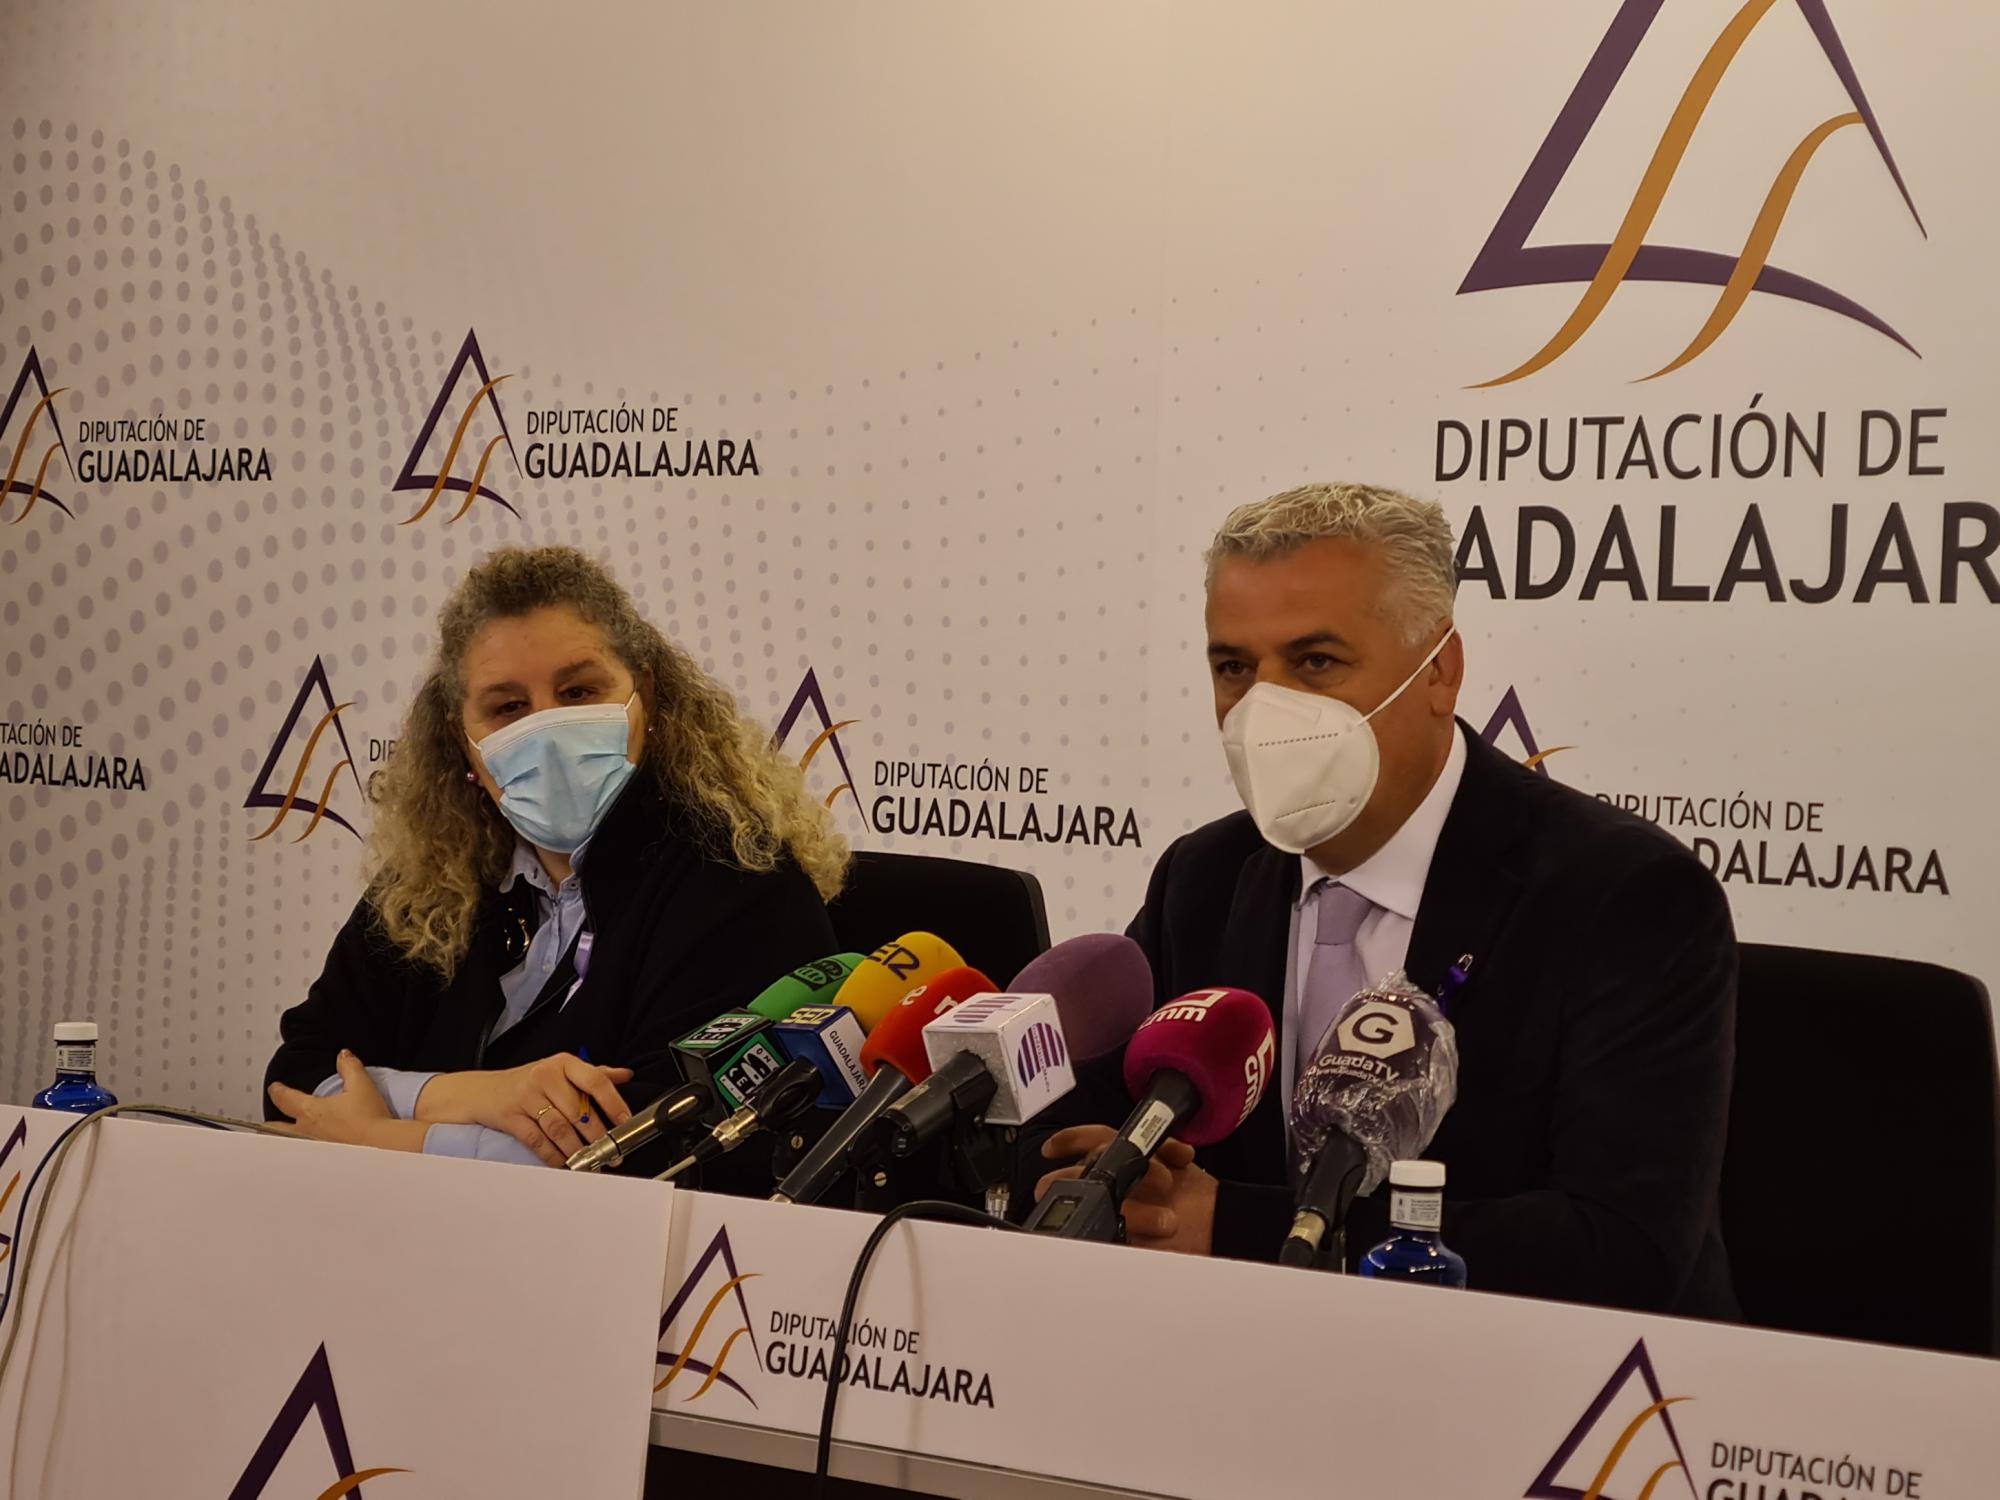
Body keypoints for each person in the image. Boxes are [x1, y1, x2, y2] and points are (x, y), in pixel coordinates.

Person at [1032, 483, 1738, 1317]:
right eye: (1234, 668)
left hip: (1542, 1380)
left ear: (1440, 671)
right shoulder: (1205, 877)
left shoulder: (1625, 896)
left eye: (1315, 663)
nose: (1263, 708)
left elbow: (1619, 1248)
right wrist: (1100, 1172)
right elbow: (1107, 1116)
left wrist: (1232, 1226)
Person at [264, 544, 848, 1176]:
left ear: (645, 696)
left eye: (578, 691)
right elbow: (297, 1077)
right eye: (508, 707)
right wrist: (476, 1094)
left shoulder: (739, 877)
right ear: (464, 741)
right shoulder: (434, 880)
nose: (546, 729)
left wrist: (383, 1140)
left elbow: (671, 1147)